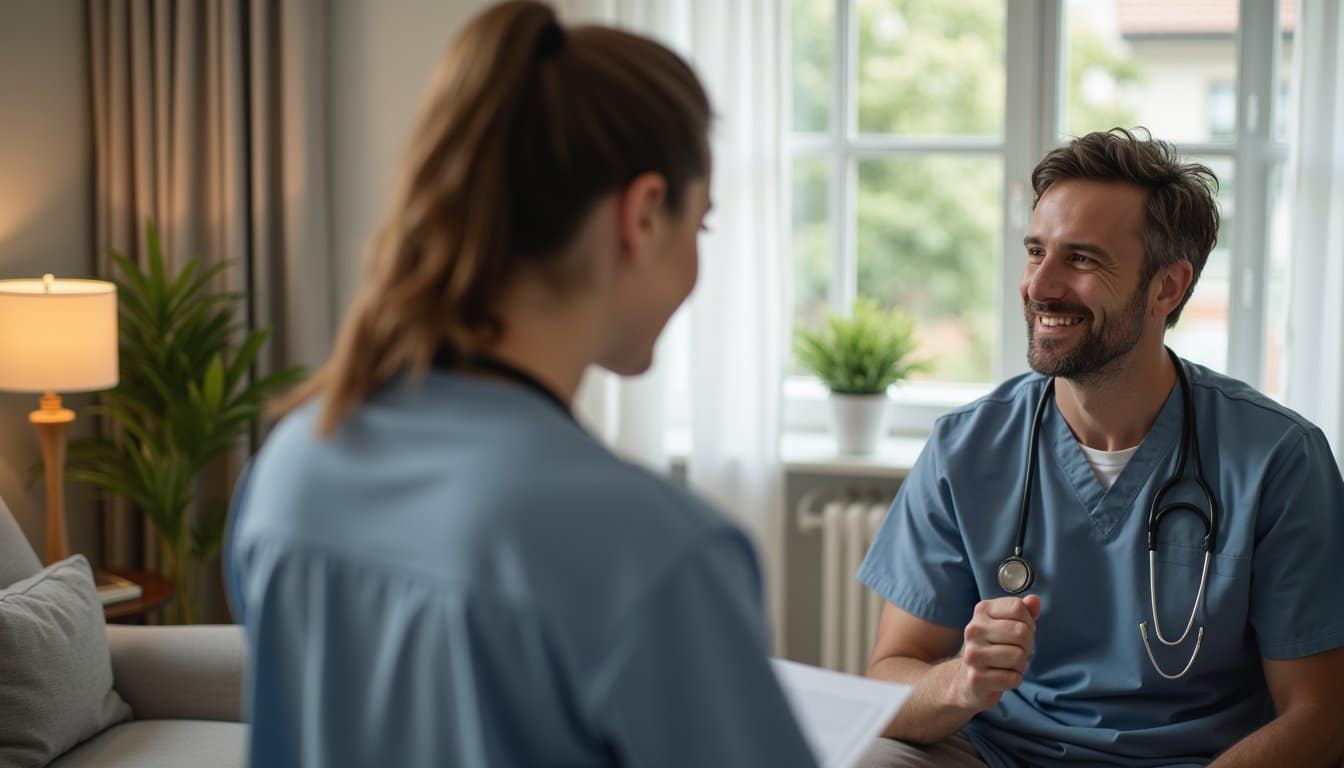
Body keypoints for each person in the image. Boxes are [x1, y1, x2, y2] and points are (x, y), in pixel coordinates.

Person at [224, 3, 818, 766]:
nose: (697, 266)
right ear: (641, 216)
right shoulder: (654, 551)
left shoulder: (293, 462)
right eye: (699, 226)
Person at [857, 127, 1344, 768]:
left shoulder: (1278, 458)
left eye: (1082, 260)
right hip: (999, 755)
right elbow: (889, 677)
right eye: (1037, 252)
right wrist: (963, 683)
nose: (1041, 286)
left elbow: (1320, 716)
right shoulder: (966, 448)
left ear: (1166, 288)